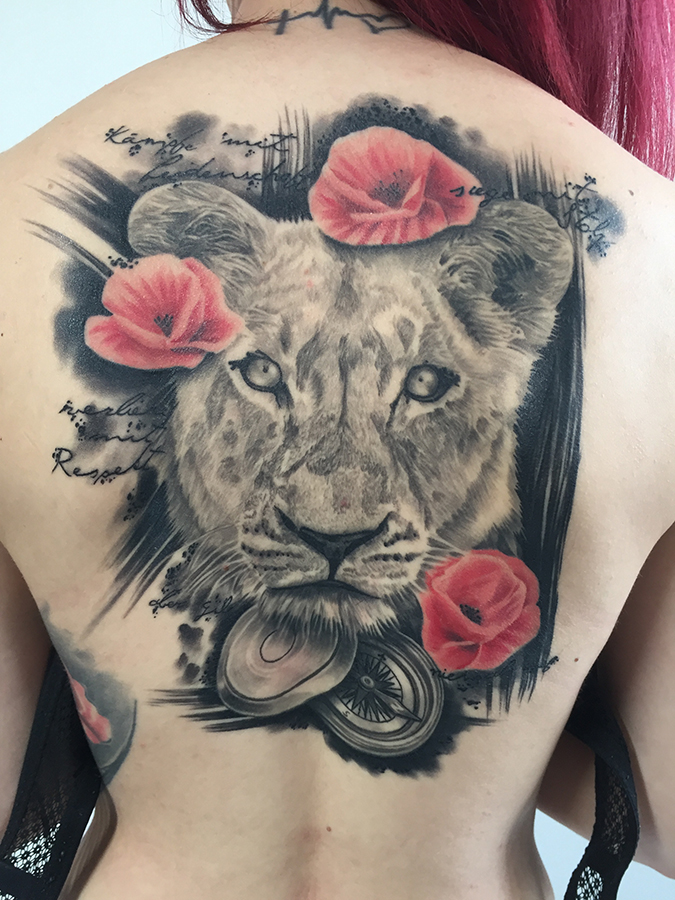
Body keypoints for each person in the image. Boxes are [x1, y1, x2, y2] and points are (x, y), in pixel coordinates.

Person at [0, 1, 674, 898]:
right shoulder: (657, 259)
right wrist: (520, 720)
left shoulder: (14, 222)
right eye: (263, 376)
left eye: (423, 386)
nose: (334, 510)